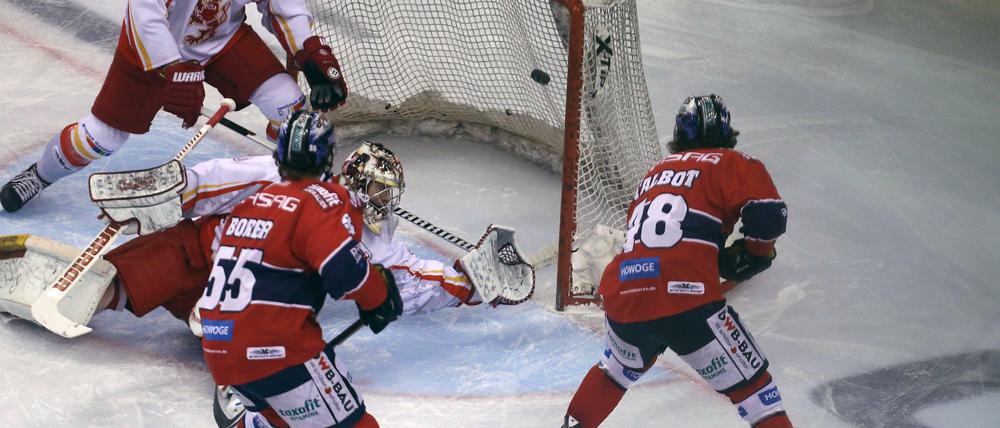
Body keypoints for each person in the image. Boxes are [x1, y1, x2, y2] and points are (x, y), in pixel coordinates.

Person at [563, 95, 792, 428]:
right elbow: (769, 216)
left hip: (624, 293)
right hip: (686, 297)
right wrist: (754, 254)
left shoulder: (652, 175)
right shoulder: (732, 162)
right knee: (755, 391)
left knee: (613, 372)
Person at [0, 0, 349, 213]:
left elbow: (282, 5)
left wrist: (309, 50)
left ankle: (296, 187)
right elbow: (144, 15)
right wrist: (172, 70)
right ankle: (40, 174)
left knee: (293, 110)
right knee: (100, 138)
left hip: (223, 41)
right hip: (156, 50)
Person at [198, 110, 400, 428]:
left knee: (275, 421)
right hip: (275, 352)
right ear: (327, 154)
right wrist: (378, 297)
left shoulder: (252, 202)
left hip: (218, 348)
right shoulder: (319, 198)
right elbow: (343, 270)